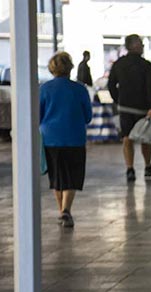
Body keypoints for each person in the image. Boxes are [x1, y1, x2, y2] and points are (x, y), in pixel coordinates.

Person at [40, 52, 92, 228]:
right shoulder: (80, 89)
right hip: (74, 137)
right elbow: (88, 116)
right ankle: (66, 210)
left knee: (57, 176)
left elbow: (37, 115)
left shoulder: (44, 89)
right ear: (70, 68)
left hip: (50, 138)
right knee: (72, 175)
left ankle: (61, 209)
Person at [108, 34, 151, 183]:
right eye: (141, 43)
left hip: (125, 108)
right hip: (143, 109)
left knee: (127, 138)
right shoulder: (146, 65)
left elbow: (111, 85)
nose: (143, 46)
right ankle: (148, 166)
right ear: (135, 45)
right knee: (145, 138)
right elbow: (150, 88)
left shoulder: (118, 64)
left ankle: (130, 168)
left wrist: (118, 100)